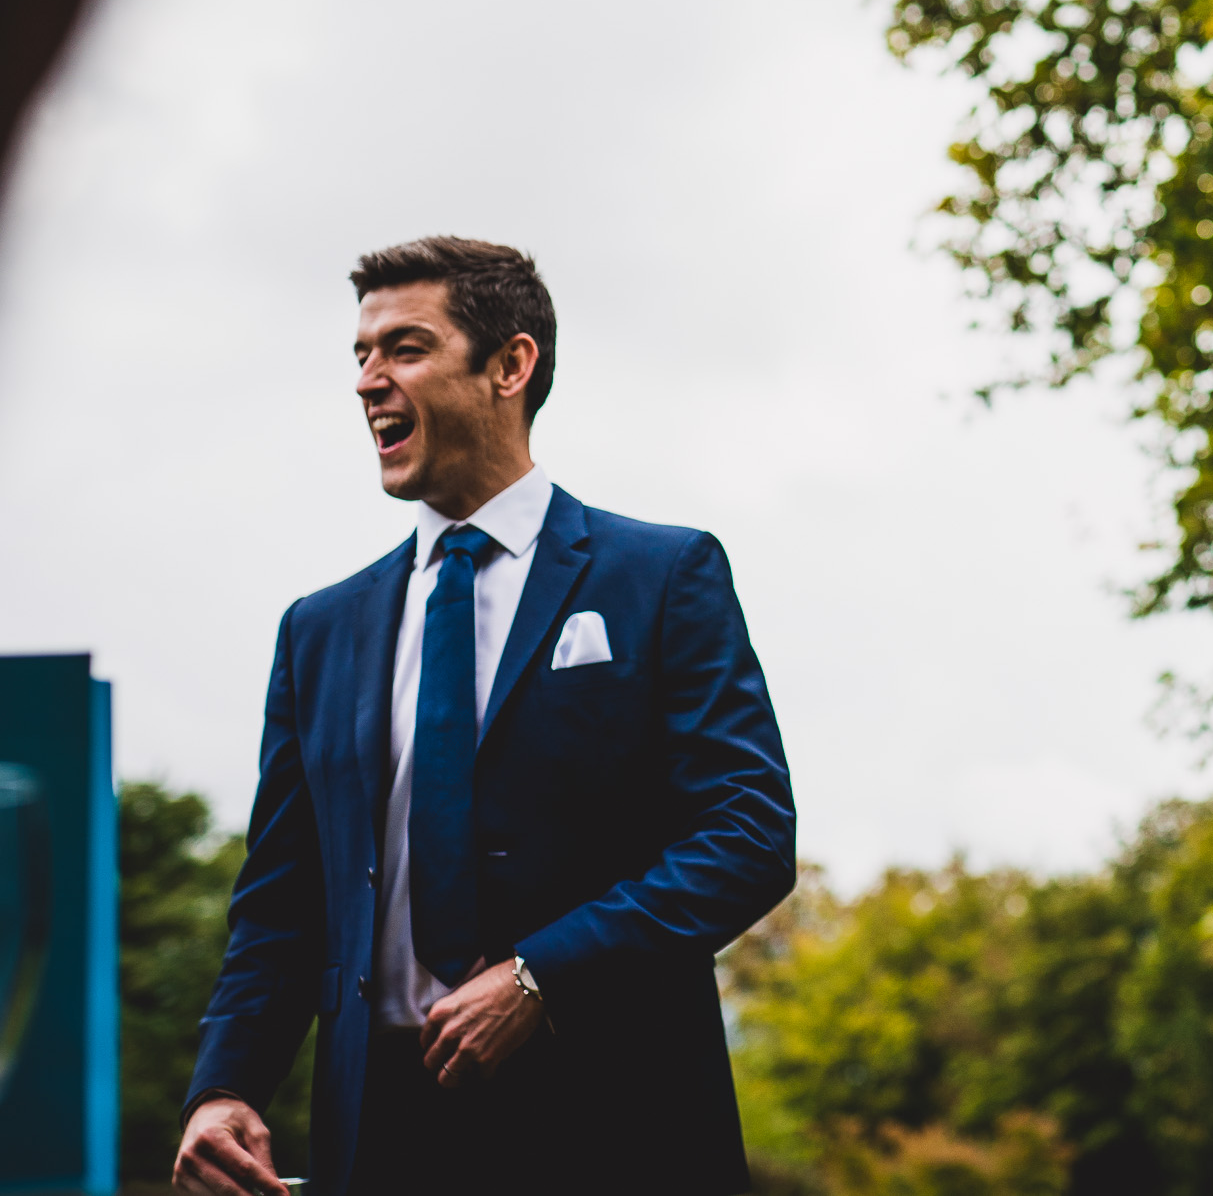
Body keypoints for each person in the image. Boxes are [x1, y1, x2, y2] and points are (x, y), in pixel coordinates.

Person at [173, 238, 796, 1196]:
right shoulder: (318, 631)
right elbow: (283, 902)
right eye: (360, 354)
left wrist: (544, 974)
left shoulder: (662, 577)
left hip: (613, 1122)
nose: (368, 381)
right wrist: (223, 1087)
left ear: (511, 365)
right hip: (378, 1132)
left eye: (405, 348)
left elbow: (748, 835)